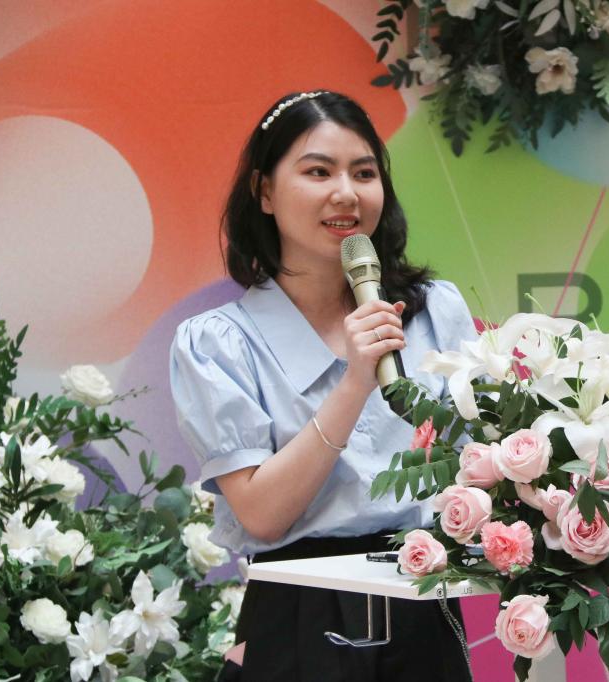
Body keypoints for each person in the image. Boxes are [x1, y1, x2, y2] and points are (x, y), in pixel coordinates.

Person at [169, 90, 477, 682]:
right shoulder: (217, 342)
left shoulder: (435, 311)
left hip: (425, 603)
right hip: (298, 615)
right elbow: (262, 515)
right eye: (318, 172)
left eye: (364, 173)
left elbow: (479, 465)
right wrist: (356, 382)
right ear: (264, 191)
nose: (346, 193)